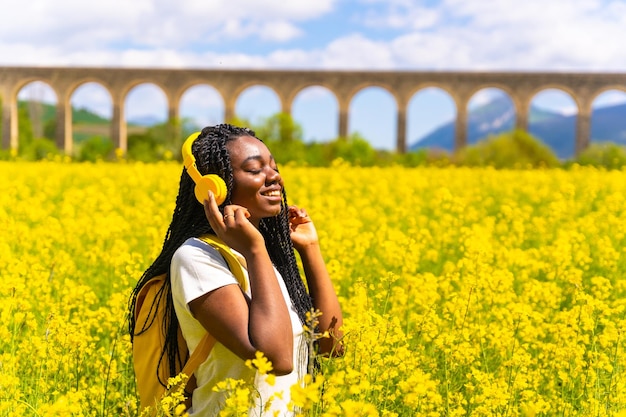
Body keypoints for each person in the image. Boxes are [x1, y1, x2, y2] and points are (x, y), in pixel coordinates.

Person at [128, 124, 343, 416]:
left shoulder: (266, 261)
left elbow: (332, 346)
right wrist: (255, 250)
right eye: (255, 170)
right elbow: (277, 360)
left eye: (274, 167)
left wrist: (310, 249)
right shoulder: (197, 258)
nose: (274, 177)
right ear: (214, 187)